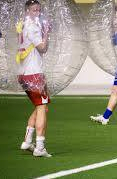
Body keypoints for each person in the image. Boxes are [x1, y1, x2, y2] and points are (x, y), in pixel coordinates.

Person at [18, 0, 51, 157]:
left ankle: (27, 141)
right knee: (42, 108)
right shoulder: (33, 28)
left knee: (41, 107)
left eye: (38, 10)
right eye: (33, 10)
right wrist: (46, 32)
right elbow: (43, 48)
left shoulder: (22, 26)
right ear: (27, 11)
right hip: (35, 74)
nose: (37, 13)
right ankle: (39, 146)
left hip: (25, 74)